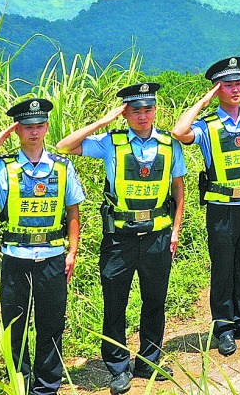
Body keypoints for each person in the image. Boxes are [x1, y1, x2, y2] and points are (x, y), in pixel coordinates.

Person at [56, 82, 185, 394]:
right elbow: (64, 145)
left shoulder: (169, 144)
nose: (143, 116)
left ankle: (148, 360)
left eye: (148, 109)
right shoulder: (110, 143)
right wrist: (104, 120)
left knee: (154, 300)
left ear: (156, 110)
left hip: (157, 236)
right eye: (135, 110)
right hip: (119, 239)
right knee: (116, 303)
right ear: (126, 113)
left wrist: (176, 229)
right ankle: (117, 367)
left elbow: (179, 189)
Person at [0, 97, 84, 395]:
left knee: (50, 326)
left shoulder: (63, 167)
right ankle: (20, 385)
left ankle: (47, 387)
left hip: (52, 257)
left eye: (39, 126)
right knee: (16, 327)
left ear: (47, 128)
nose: (34, 132)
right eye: (27, 127)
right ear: (17, 131)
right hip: (16, 259)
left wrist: (72, 251)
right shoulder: (2, 168)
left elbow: (73, 211)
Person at [171, 56, 240, 357]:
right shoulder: (207, 126)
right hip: (222, 209)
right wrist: (204, 100)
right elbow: (179, 132)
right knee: (223, 269)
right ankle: (224, 329)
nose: (235, 89)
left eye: (237, 83)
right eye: (227, 85)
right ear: (218, 89)